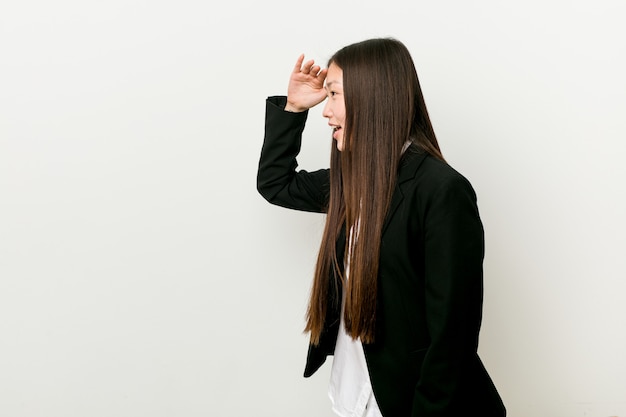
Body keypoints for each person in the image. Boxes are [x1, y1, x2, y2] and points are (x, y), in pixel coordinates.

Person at [257, 38, 506, 417]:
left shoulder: (441, 191)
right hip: (354, 395)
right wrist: (292, 107)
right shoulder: (354, 179)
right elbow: (276, 183)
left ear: (371, 98)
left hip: (416, 403)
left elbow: (453, 334)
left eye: (334, 95)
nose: (326, 111)